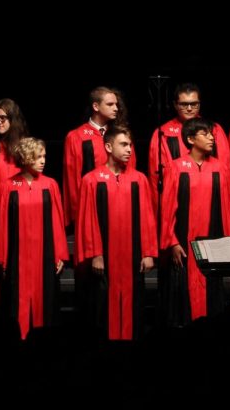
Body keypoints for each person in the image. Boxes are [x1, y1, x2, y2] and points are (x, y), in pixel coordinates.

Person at [76, 125, 156, 340]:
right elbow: (88, 220)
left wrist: (148, 252)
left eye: (130, 144)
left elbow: (147, 218)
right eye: (123, 144)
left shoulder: (139, 179)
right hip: (106, 259)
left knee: (134, 305)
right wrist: (96, 254)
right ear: (109, 146)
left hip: (132, 256)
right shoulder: (91, 180)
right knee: (103, 306)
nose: (129, 149)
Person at [158, 117, 230, 326]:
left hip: (213, 242)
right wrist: (172, 241)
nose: (212, 138)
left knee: (213, 295)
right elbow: (167, 208)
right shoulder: (175, 167)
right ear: (191, 139)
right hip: (183, 244)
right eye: (205, 134)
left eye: (211, 133)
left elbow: (228, 208)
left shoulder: (220, 168)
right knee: (183, 297)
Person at [0, 137, 68, 338]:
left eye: (44, 156)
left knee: (46, 301)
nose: (43, 161)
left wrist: (60, 253)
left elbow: (57, 222)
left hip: (45, 253)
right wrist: (2, 257)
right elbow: (0, 223)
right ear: (25, 158)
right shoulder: (8, 186)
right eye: (37, 157)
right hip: (17, 255)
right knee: (17, 302)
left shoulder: (50, 184)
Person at [148, 83, 230, 214]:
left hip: (211, 196)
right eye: (184, 104)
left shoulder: (214, 130)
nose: (189, 108)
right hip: (179, 198)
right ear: (175, 105)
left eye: (194, 104)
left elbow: (225, 167)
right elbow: (157, 174)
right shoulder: (163, 133)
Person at [63, 86, 135, 226]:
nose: (116, 108)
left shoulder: (121, 135)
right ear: (96, 106)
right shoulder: (76, 136)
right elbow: (72, 178)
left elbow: (130, 168)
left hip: (120, 204)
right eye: (110, 104)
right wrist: (78, 212)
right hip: (90, 205)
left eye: (116, 104)